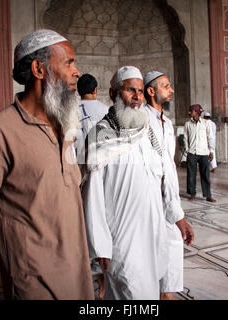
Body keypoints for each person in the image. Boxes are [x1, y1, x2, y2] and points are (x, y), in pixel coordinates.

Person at [0, 29, 94, 300]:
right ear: (38, 68)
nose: (77, 72)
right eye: (68, 62)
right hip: (32, 283)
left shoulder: (65, 127)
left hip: (77, 276)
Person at [82, 66, 169, 300]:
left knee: (143, 291)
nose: (137, 97)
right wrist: (100, 244)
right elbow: (93, 195)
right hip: (121, 236)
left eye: (140, 91)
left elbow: (160, 176)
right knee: (131, 290)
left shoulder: (147, 131)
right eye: (130, 90)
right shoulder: (100, 134)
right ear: (113, 93)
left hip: (151, 231)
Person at [143, 71, 193, 300]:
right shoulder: (141, 119)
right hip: (148, 197)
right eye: (166, 86)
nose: (171, 90)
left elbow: (169, 166)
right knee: (151, 248)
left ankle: (166, 293)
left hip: (166, 195)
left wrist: (177, 210)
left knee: (172, 241)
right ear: (151, 91)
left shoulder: (168, 123)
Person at [183, 104, 216, 202]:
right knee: (191, 175)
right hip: (192, 153)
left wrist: (211, 151)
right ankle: (192, 194)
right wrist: (187, 150)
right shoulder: (187, 124)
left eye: (191, 111)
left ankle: (208, 195)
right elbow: (185, 138)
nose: (189, 113)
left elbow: (210, 137)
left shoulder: (206, 123)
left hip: (204, 153)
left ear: (197, 112)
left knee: (205, 175)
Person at [74, 74, 109, 167]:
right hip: (102, 163)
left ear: (78, 91)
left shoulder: (71, 111)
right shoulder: (106, 110)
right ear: (95, 90)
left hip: (78, 164)